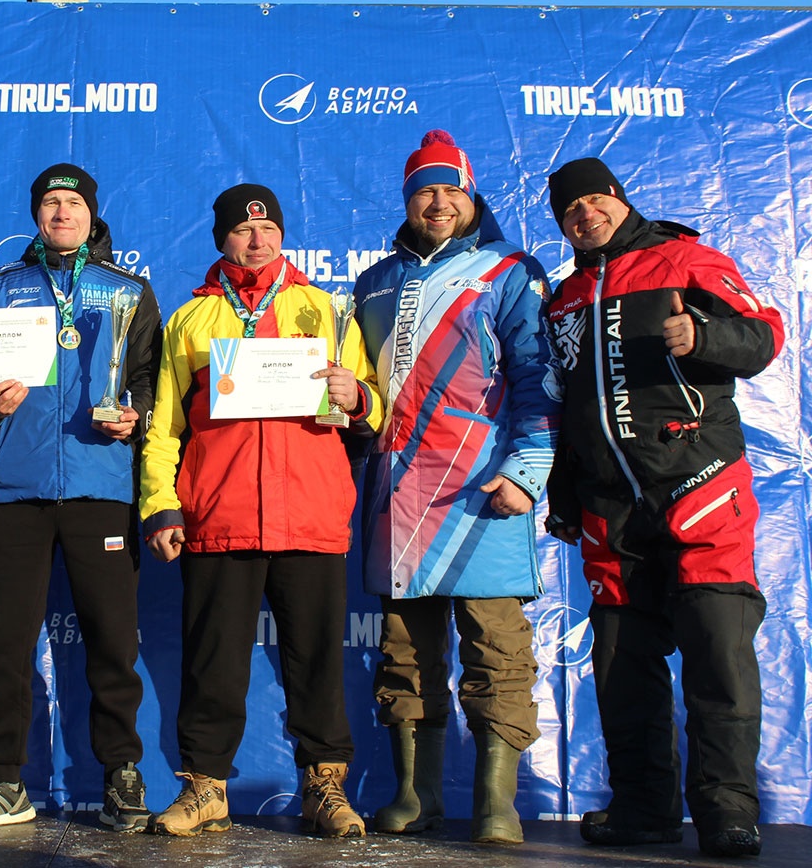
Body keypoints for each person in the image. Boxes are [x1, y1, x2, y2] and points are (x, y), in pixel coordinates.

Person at [544, 157, 783, 858]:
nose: (585, 216)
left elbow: (764, 335)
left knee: (719, 660)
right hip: (613, 512)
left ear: (619, 199)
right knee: (622, 670)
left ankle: (727, 813)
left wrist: (703, 338)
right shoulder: (563, 297)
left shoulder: (686, 260)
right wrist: (565, 495)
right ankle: (644, 810)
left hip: (701, 487)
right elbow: (565, 407)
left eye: (595, 201)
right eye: (570, 211)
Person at [139, 183, 383, 838]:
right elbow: (164, 428)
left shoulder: (324, 310)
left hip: (310, 513)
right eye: (244, 231)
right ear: (222, 240)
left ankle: (324, 786)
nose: (258, 239)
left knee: (316, 662)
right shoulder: (189, 321)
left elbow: (371, 411)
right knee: (212, 662)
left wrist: (355, 394)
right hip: (220, 516)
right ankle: (205, 787)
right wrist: (161, 504)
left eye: (269, 228)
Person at [352, 131, 561, 845]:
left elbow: (539, 379)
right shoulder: (374, 282)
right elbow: (364, 396)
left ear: (471, 197)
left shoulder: (508, 270)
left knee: (496, 649)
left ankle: (496, 803)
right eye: (424, 191)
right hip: (400, 494)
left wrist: (529, 473)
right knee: (405, 653)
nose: (437, 203)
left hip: (484, 489)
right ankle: (416, 795)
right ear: (407, 200)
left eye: (450, 190)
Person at [0, 163, 162, 832]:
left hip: (100, 488)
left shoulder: (129, 292)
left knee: (111, 639)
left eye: (72, 203)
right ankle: (4, 779)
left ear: (92, 215)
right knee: (5, 644)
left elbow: (152, 382)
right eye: (49, 203)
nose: (61, 213)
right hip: (16, 490)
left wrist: (137, 417)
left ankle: (121, 772)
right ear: (35, 216)